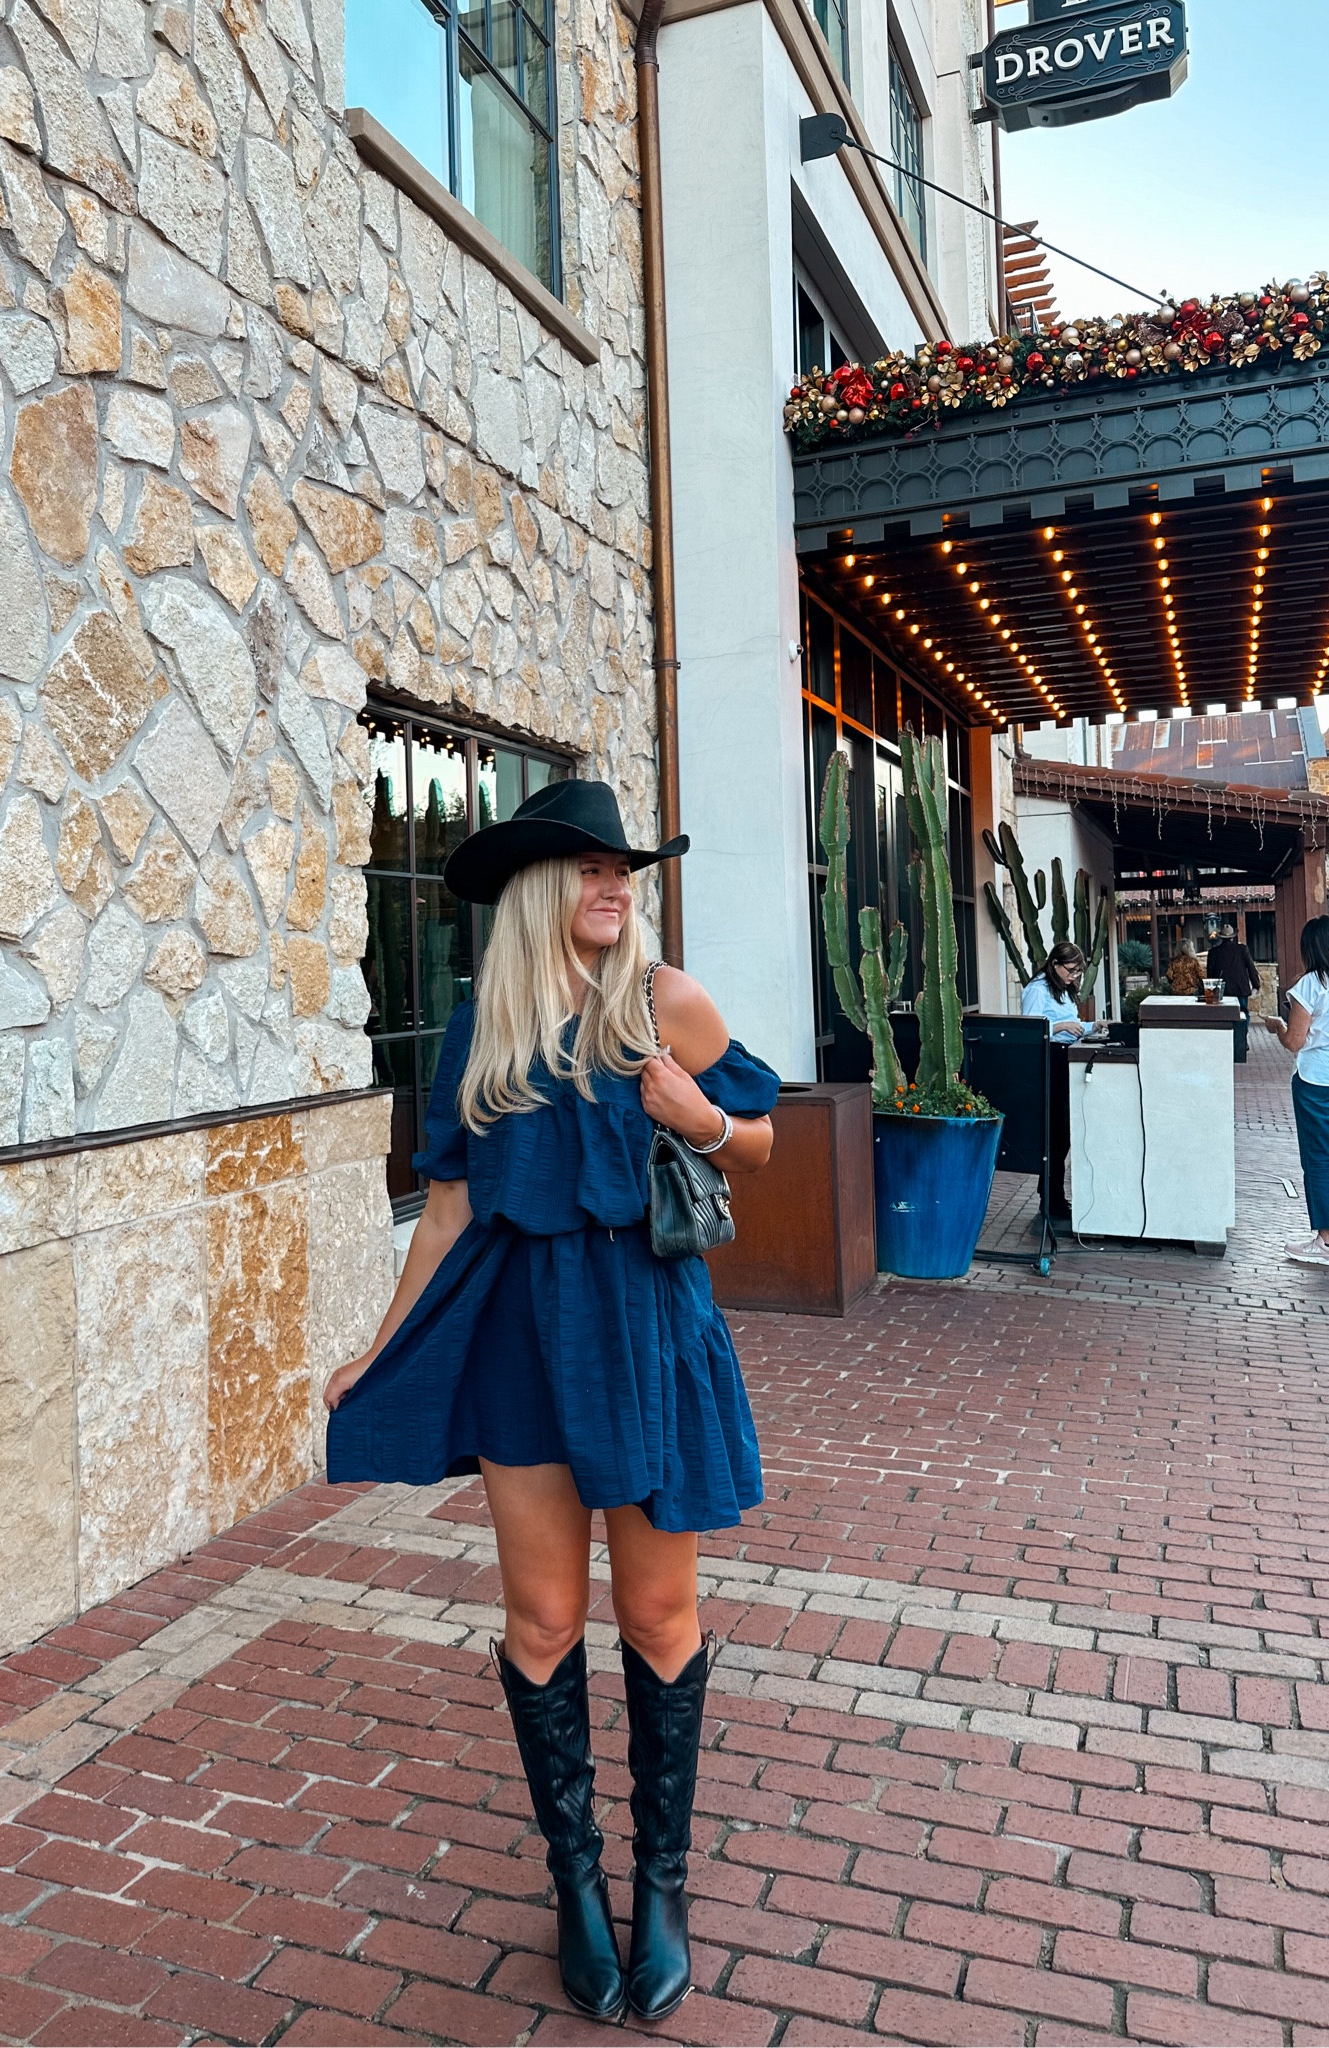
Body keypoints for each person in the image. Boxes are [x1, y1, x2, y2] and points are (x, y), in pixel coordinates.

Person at [324, 779, 778, 2024]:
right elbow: (454, 1206)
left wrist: (700, 1114)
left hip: (645, 1327)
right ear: (536, 891)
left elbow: (763, 1141)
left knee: (659, 1608)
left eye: (621, 866)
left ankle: (661, 1887)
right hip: (523, 1337)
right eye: (585, 868)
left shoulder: (665, 1000)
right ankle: (576, 1882)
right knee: (539, 1618)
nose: (612, 885)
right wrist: (382, 1346)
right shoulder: (485, 1026)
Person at [1265, 915, 1329, 1268]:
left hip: (1316, 1081)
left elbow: (1294, 1041)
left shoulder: (1311, 985)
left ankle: (1324, 1241)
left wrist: (1277, 1026)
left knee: (1319, 1158)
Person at [1020, 942, 1088, 1221]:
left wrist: (1096, 1026)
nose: (1074, 976)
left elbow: (1073, 1023)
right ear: (1055, 965)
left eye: (1077, 972)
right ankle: (1051, 1198)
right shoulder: (1037, 990)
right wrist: (1059, 1026)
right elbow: (1029, 1028)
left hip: (1065, 1056)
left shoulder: (1062, 990)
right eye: (1071, 970)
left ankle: (1052, 1195)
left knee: (1063, 1132)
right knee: (1057, 1132)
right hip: (1051, 1060)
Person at [1208, 922, 1262, 1011]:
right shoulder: (1242, 949)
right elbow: (1251, 968)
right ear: (1233, 937)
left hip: (1222, 990)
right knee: (1242, 1013)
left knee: (1223, 1014)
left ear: (1221, 937)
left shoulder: (1213, 952)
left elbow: (1210, 974)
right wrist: (1256, 985)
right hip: (1240, 988)